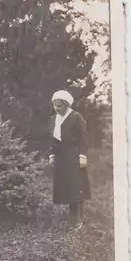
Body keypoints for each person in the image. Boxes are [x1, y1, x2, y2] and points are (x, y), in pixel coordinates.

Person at [48, 90, 91, 230]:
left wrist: (83, 155)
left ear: (66, 105)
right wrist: (52, 155)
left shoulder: (76, 117)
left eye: (59, 106)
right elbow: (54, 140)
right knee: (67, 188)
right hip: (61, 158)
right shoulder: (53, 119)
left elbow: (83, 137)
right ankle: (74, 218)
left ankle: (77, 220)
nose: (57, 108)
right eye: (55, 105)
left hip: (74, 156)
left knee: (75, 188)